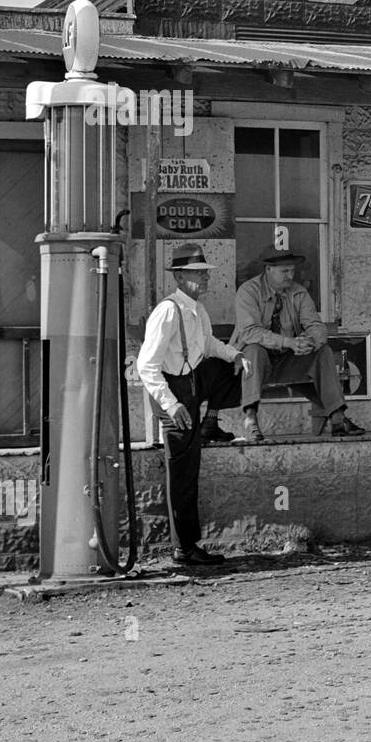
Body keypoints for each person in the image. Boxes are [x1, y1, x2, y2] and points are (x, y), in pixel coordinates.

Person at [136, 242, 250, 567]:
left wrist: (235, 354)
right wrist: (171, 406)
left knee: (228, 367)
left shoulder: (197, 310)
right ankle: (184, 548)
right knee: (183, 472)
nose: (205, 280)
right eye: (197, 274)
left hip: (191, 383)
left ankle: (211, 421)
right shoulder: (168, 311)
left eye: (205, 274)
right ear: (181, 276)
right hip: (172, 391)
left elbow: (209, 344)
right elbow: (147, 365)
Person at [231, 246, 364, 441]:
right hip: (254, 364)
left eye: (292, 270)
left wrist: (309, 342)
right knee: (253, 350)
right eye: (284, 271)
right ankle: (250, 419)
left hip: (286, 360)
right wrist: (288, 342)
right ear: (268, 269)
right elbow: (250, 332)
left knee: (323, 352)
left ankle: (338, 418)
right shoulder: (248, 291)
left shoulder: (298, 292)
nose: (290, 276)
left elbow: (316, 326)